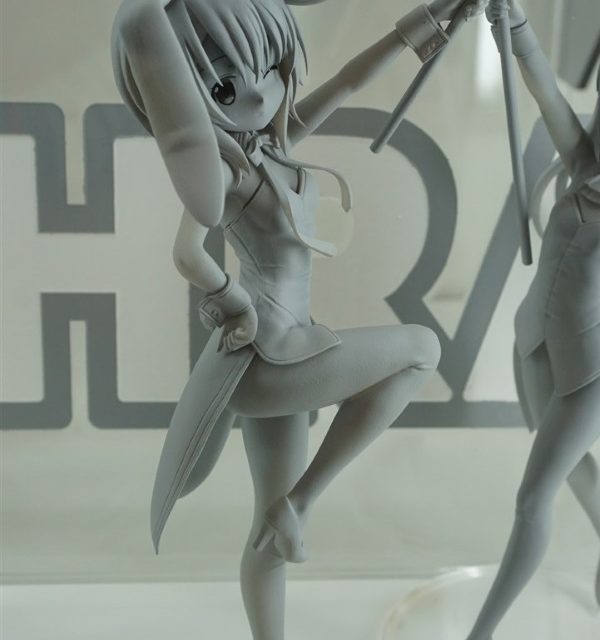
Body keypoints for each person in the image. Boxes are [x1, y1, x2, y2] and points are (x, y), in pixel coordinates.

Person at [111, 1, 483, 638]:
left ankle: (283, 552)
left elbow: (347, 81)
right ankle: (302, 503)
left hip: (291, 346)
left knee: (267, 533)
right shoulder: (220, 171)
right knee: (421, 347)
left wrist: (434, 17)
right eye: (225, 87)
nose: (259, 92)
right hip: (270, 358)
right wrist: (230, 298)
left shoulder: (273, 146)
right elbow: (187, 252)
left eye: (268, 67)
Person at [465, 2, 600, 638]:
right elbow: (544, 85)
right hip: (533, 343)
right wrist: (514, 25)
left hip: (586, 373)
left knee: (531, 501)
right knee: (569, 477)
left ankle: (482, 632)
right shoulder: (584, 166)